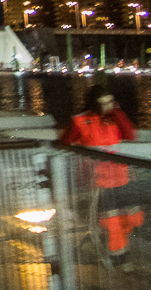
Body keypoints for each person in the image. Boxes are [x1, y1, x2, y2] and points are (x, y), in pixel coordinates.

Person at [62, 84, 143, 268]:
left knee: (132, 219)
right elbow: (65, 145)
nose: (107, 106)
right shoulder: (80, 121)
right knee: (111, 222)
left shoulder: (114, 118)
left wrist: (118, 114)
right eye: (103, 102)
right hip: (99, 182)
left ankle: (96, 241)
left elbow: (130, 136)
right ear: (94, 102)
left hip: (123, 177)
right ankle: (119, 259)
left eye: (110, 101)